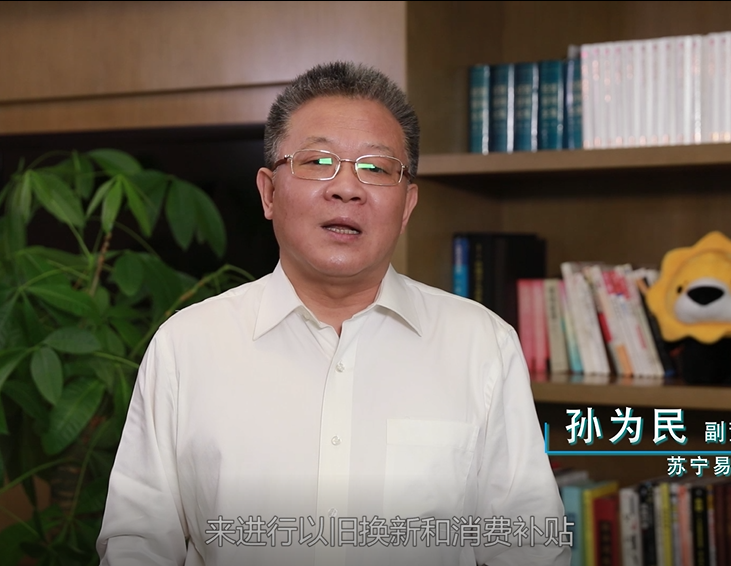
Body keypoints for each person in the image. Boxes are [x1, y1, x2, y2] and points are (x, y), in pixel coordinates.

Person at [97, 60, 569, 566]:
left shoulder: (481, 345)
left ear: (407, 205)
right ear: (268, 192)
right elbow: (136, 546)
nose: (346, 188)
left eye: (376, 168)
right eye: (318, 161)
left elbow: (530, 549)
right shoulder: (187, 346)